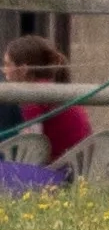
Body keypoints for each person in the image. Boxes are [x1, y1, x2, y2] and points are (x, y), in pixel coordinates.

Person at [2, 36, 93, 194]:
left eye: (7, 64)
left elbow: (32, 150)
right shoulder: (54, 90)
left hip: (59, 176)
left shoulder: (33, 98)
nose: (4, 70)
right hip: (78, 171)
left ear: (23, 70)